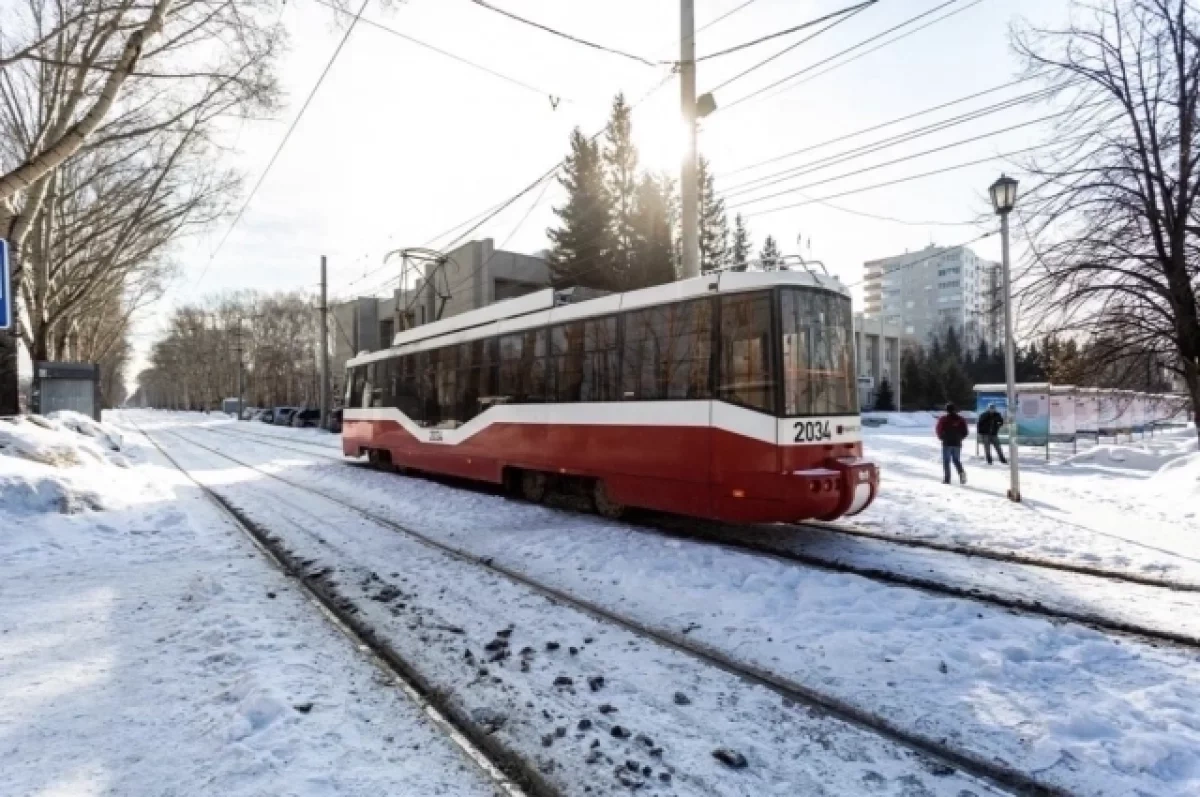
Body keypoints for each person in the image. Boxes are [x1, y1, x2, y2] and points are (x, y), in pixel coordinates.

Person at [935, 403, 969, 484]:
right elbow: (965, 432)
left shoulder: (943, 419)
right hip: (957, 443)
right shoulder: (961, 419)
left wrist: (941, 437)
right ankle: (962, 475)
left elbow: (938, 429)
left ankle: (947, 479)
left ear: (946, 410)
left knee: (946, 461)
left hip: (947, 442)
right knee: (956, 460)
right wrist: (960, 438)